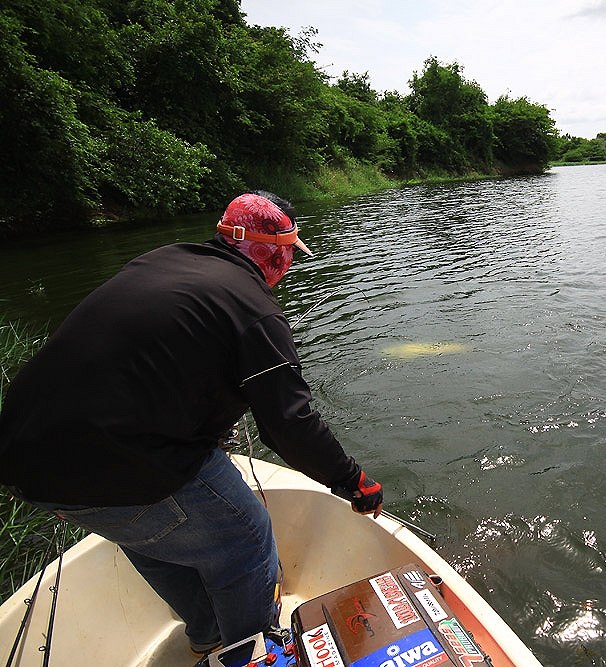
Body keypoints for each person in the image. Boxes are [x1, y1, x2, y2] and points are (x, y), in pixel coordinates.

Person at [0, 191, 383, 660]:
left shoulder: (164, 260)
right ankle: (251, 652)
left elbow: (144, 364)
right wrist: (352, 481)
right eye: (288, 258)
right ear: (279, 254)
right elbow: (289, 425)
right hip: (113, 461)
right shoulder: (253, 309)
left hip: (24, 461)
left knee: (149, 532)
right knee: (245, 537)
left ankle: (208, 635)